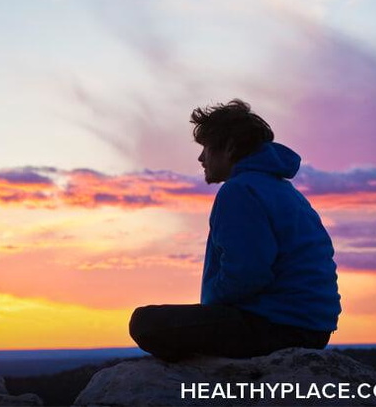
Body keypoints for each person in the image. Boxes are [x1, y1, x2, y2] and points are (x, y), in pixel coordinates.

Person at [129, 99, 341, 361]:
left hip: (279, 327)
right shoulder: (279, 189)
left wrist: (211, 309)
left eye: (205, 147)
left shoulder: (240, 190)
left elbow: (247, 275)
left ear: (229, 148)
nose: (200, 157)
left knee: (145, 322)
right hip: (309, 327)